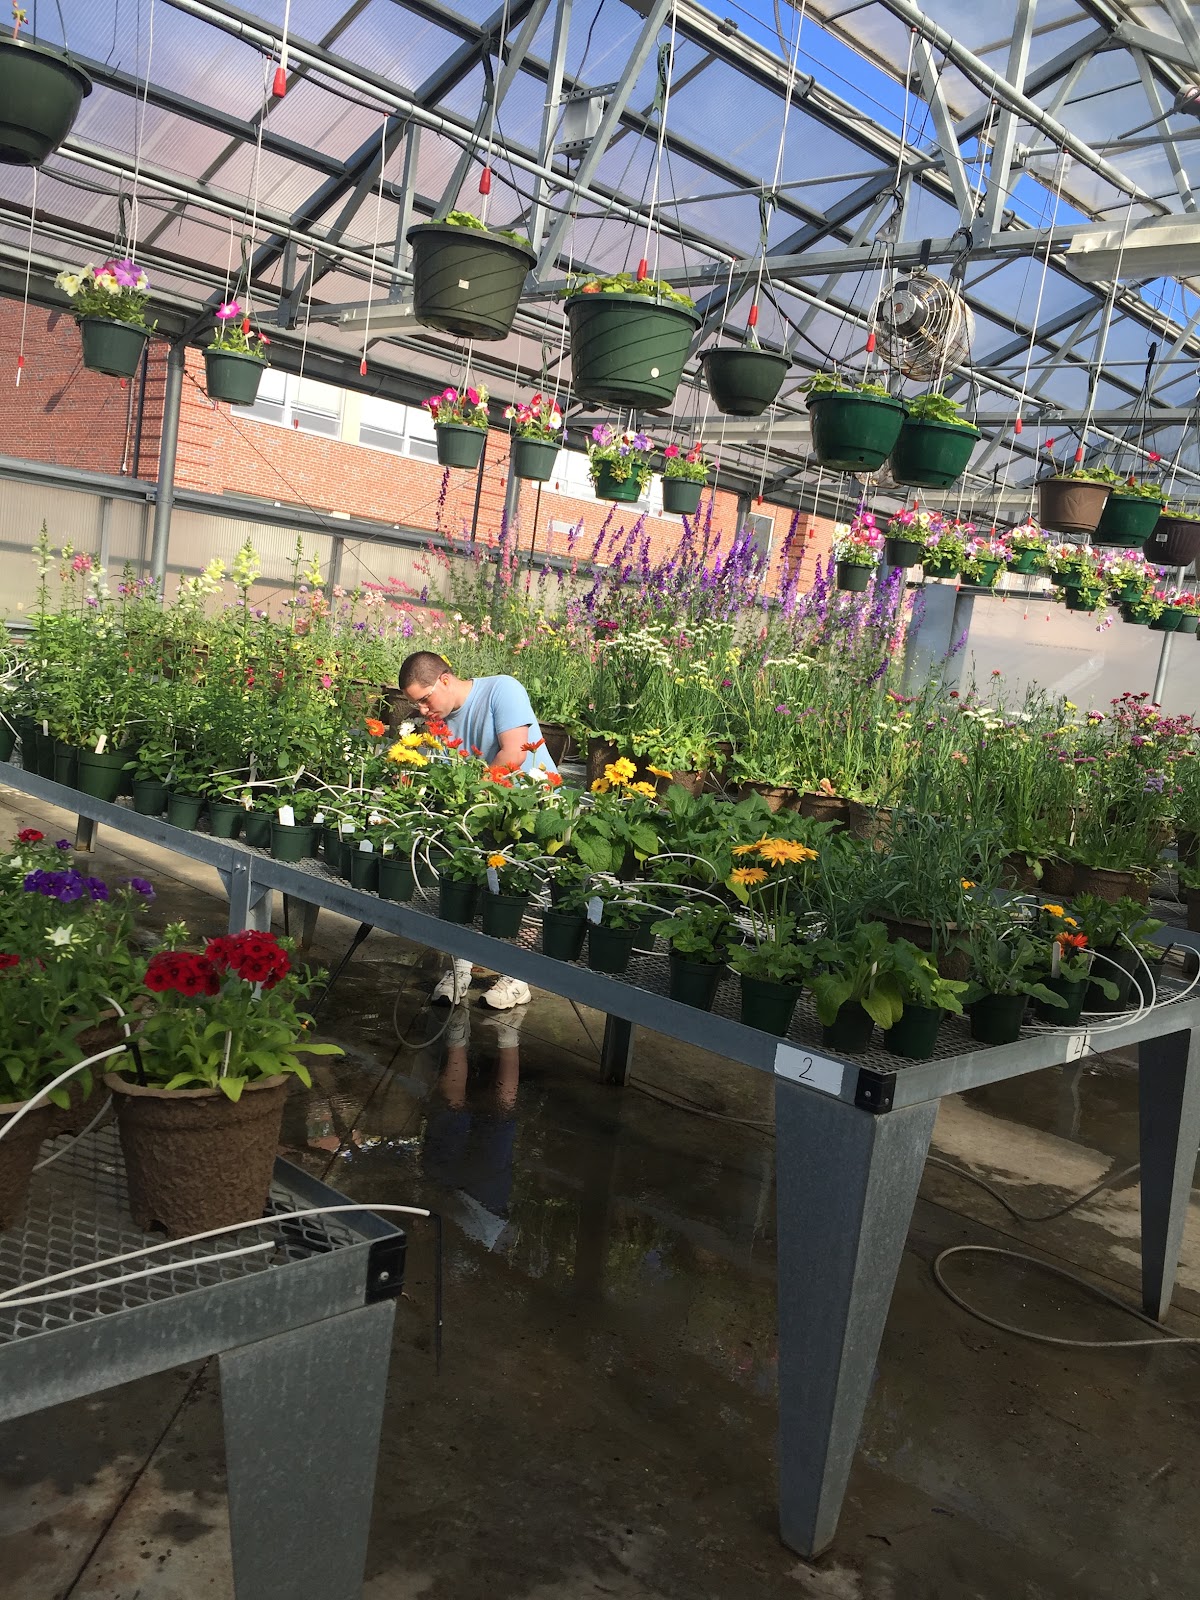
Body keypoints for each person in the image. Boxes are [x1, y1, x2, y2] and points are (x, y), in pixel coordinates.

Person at [398, 650, 558, 1010]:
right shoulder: (439, 721)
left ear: (444, 679)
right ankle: (461, 968)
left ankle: (517, 976)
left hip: (531, 810)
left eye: (425, 700)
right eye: (416, 704)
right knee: (464, 885)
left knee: (520, 895)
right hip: (484, 815)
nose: (422, 710)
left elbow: (514, 754)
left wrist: (469, 797)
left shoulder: (502, 690)